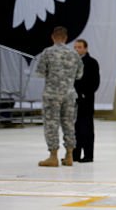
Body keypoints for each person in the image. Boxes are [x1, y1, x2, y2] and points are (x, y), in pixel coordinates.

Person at [35, 26, 84, 167]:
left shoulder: (47, 53)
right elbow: (79, 75)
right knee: (69, 124)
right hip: (69, 94)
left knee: (51, 124)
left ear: (52, 37)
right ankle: (69, 156)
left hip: (52, 94)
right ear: (66, 38)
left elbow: (40, 73)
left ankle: (53, 156)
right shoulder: (74, 54)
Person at [72, 39, 99, 163]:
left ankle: (88, 155)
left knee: (86, 129)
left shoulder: (92, 63)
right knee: (73, 129)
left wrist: (84, 94)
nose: (77, 49)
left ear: (85, 48)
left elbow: (95, 82)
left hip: (86, 101)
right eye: (75, 47)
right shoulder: (71, 62)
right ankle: (74, 154)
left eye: (79, 47)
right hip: (72, 101)